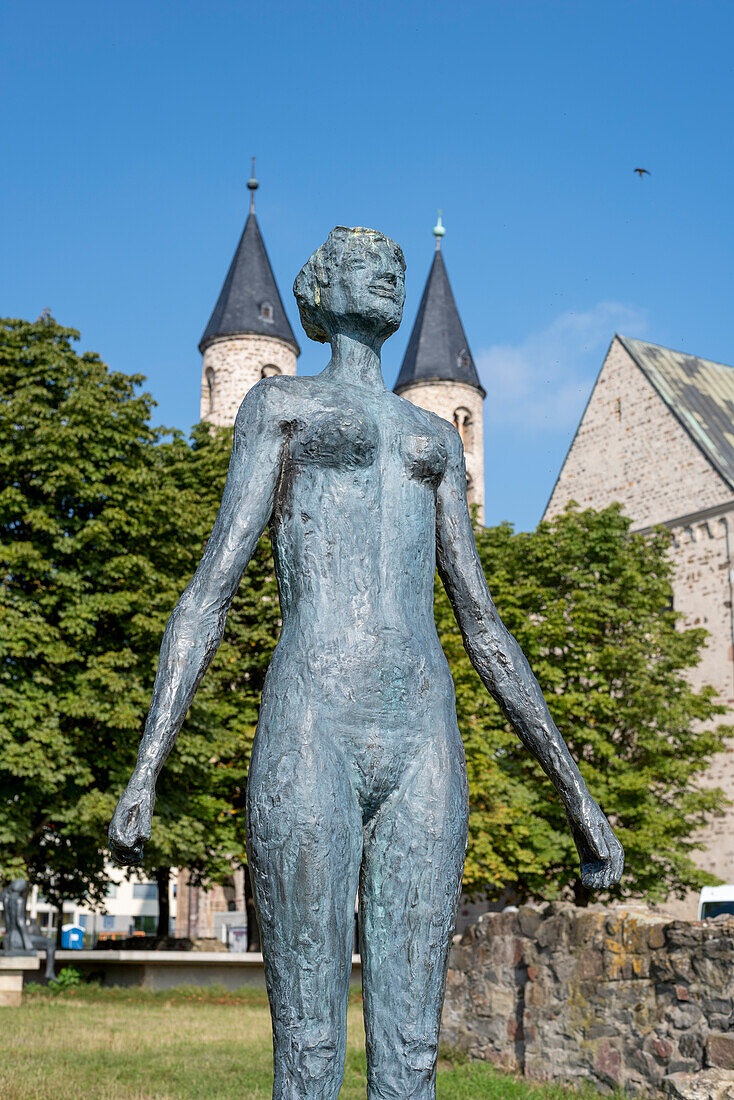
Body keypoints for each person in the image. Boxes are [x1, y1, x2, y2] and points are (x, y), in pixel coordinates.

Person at [109, 226, 623, 1100]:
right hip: (315, 724)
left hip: (423, 735)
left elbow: (485, 622)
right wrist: (146, 768)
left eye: (392, 263)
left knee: (412, 1056)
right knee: (308, 1054)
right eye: (361, 260)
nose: (384, 271)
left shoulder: (432, 438)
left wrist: (578, 796)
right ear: (317, 290)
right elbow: (209, 591)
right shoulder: (280, 408)